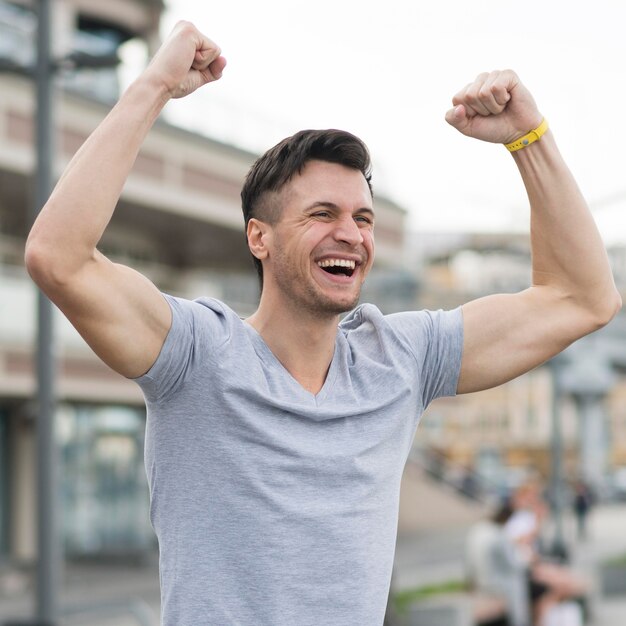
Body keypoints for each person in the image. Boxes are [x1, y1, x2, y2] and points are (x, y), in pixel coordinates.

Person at [24, 20, 620, 626]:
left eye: (363, 217)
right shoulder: (197, 356)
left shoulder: (402, 360)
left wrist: (530, 138)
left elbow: (582, 298)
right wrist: (153, 84)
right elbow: (60, 257)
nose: (351, 234)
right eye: (322, 213)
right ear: (259, 236)